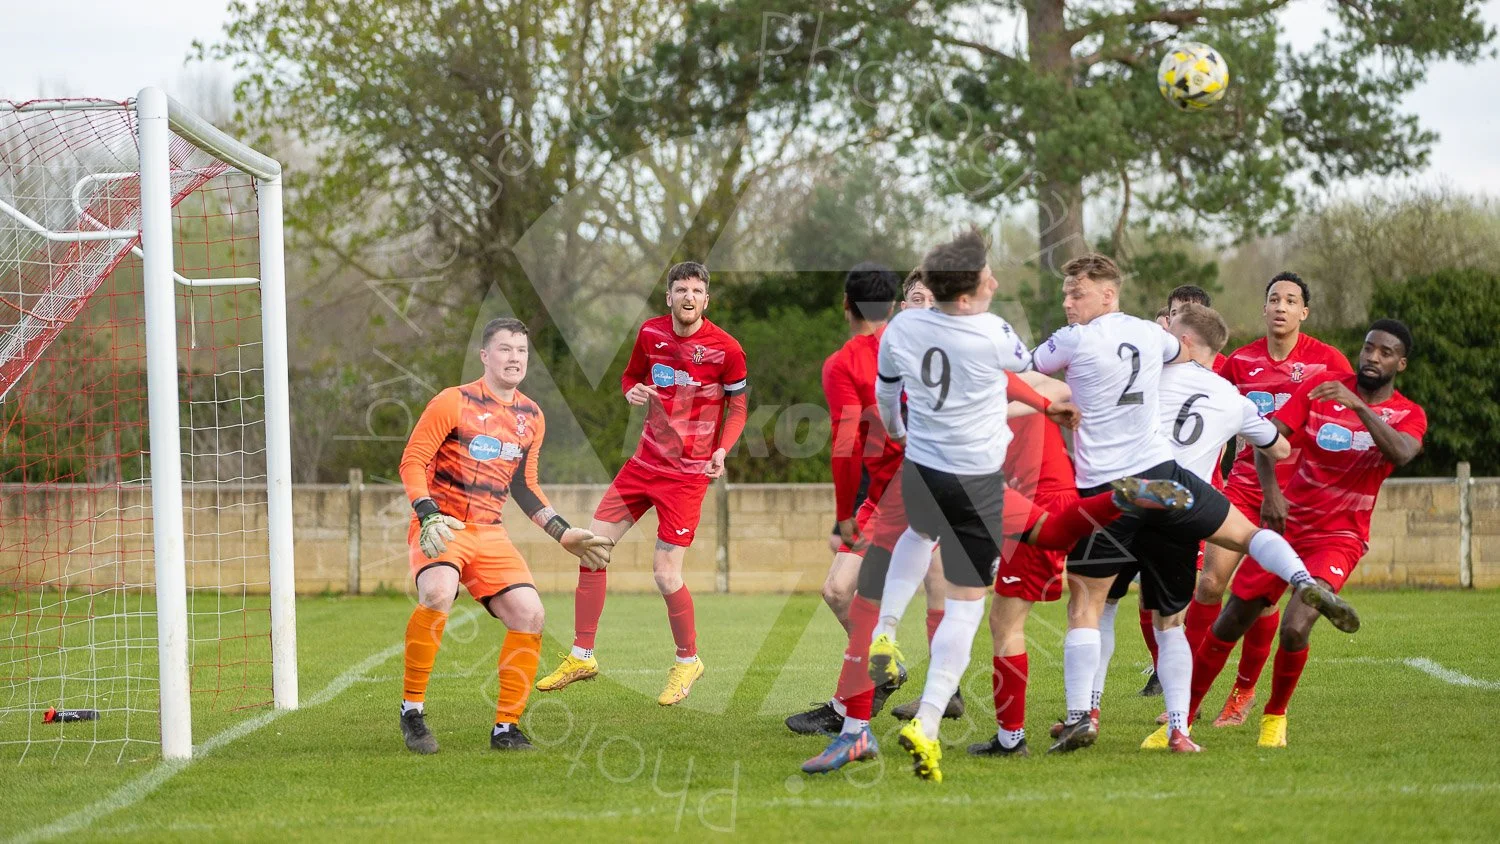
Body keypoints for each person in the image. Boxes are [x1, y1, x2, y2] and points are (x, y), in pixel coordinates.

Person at [1031, 253, 1358, 756]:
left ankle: (1083, 714)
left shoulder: (1138, 365)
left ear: (1182, 341)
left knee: (1093, 606)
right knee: (1198, 592)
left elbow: (1041, 371)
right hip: (1171, 490)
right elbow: (1280, 446)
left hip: (1113, 491)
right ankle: (1183, 725)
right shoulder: (1228, 393)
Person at [1189, 320, 1425, 748]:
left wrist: (1358, 407)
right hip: (1287, 527)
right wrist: (1271, 494)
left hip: (1339, 538)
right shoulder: (1322, 388)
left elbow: (1403, 453)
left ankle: (1273, 720)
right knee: (1230, 622)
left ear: (1400, 363)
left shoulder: (1408, 414)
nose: (1372, 357)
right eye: (1369, 348)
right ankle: (1180, 718)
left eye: (1385, 352)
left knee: (1296, 627)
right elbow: (1268, 438)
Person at [536, 262, 749, 706]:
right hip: (642, 464)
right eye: (680, 289)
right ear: (668, 297)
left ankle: (688, 660)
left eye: (696, 290)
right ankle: (582, 655)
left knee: (665, 574)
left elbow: (739, 408)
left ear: (706, 300)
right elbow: (631, 377)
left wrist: (722, 450)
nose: (688, 297)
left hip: (687, 478)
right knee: (592, 547)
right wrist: (630, 391)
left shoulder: (727, 350)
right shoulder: (651, 334)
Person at [396, 318, 613, 754]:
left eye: (522, 351)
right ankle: (412, 711)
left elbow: (525, 486)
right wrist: (428, 515)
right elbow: (412, 462)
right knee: (438, 591)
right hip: (445, 524)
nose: (515, 358)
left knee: (530, 615)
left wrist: (563, 532)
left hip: (490, 533)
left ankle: (505, 729)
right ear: (484, 356)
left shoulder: (531, 416)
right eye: (505, 349)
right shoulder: (451, 402)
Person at [1186, 272, 1354, 728]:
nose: (1281, 306)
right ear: (1263, 309)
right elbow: (1204, 403)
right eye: (1273, 298)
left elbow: (1352, 417)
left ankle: (1242, 693)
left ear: (1304, 312)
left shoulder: (1329, 362)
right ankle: (1185, 694)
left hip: (1297, 498)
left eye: (1291, 300)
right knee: (1209, 586)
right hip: (1243, 486)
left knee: (1262, 599)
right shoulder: (1239, 362)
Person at [966, 373, 1080, 759]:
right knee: (1088, 609)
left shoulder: (996, 381)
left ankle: (1011, 739)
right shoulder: (1001, 384)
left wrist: (996, 408)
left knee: (1005, 622)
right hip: (1046, 496)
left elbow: (1057, 389)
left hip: (1039, 501)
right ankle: (1083, 715)